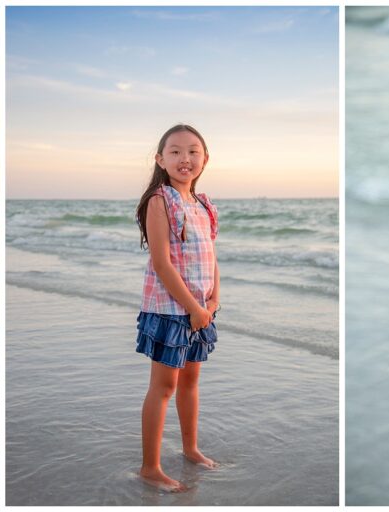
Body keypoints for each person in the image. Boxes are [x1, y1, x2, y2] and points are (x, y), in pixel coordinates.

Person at [134, 124, 221, 492]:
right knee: (164, 385)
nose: (184, 158)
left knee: (191, 382)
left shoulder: (203, 206)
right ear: (160, 159)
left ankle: (190, 448)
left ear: (205, 158)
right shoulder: (160, 199)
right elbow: (163, 263)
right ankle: (150, 467)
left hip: (200, 310)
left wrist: (214, 299)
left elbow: (212, 257)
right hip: (169, 309)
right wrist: (192, 307)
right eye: (175, 152)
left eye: (192, 151)